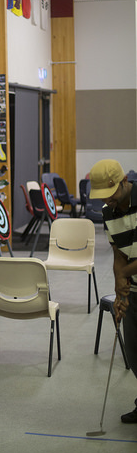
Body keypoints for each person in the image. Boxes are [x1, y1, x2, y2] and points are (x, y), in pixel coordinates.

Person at [89, 159, 137, 423]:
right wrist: (121, 293)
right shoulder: (109, 211)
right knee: (134, 351)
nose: (107, 201)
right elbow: (119, 253)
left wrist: (123, 276)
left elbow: (125, 268)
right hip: (134, 288)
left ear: (124, 182)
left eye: (111, 194)